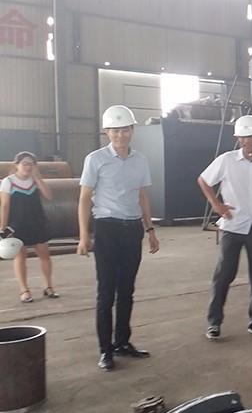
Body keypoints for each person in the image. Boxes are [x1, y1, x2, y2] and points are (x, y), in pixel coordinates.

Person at [78, 105, 159, 371]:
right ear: (107, 132)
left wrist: (150, 230)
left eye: (124, 130)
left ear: (132, 130)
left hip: (132, 229)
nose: (120, 135)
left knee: (126, 290)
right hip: (107, 229)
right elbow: (84, 199)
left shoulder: (141, 160)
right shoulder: (95, 159)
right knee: (106, 293)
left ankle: (122, 342)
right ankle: (106, 350)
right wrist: (84, 236)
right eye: (115, 130)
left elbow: (142, 196)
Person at [198, 115, 252, 340]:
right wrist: (216, 204)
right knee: (224, 275)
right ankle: (214, 322)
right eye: (243, 137)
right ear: (238, 138)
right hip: (233, 226)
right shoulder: (226, 160)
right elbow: (204, 180)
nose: (247, 141)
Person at [0, 152, 58, 303]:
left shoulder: (35, 181)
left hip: (37, 222)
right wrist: (2, 227)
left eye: (31, 164)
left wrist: (38, 178)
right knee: (21, 256)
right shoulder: (8, 182)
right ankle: (24, 290)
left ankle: (48, 286)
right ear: (16, 165)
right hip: (17, 224)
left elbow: (49, 196)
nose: (28, 167)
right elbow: (5, 205)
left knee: (44, 254)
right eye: (25, 163)